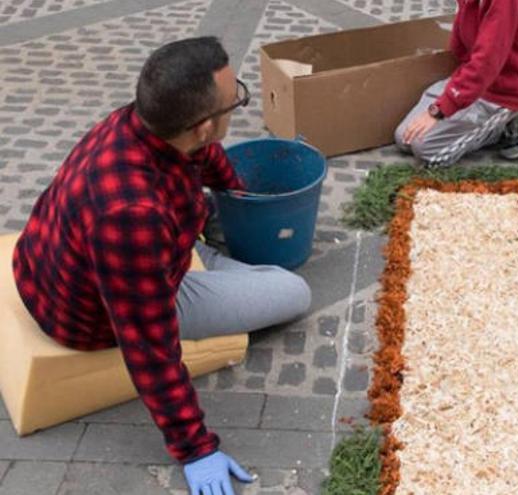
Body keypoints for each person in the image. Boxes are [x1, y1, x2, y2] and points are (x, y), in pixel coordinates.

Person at [12, 37, 311, 495]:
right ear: (205, 125)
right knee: (292, 292)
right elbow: (148, 344)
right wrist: (195, 448)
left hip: (39, 264)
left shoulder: (141, 121)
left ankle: (203, 250)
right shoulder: (132, 215)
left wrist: (235, 195)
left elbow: (201, 154)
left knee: (202, 223)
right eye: (236, 102)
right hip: (84, 316)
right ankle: (206, 259)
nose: (240, 105)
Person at [395, 0, 518, 168]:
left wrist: (439, 110)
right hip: (473, 80)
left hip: (503, 92)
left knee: (429, 152)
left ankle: (511, 122)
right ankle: (479, 118)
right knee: (404, 138)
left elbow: (487, 61)